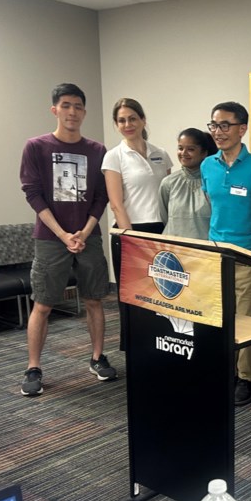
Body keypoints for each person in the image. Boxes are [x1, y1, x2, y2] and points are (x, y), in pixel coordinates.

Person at [19, 82, 116, 396]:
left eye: (77, 106)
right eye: (66, 106)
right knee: (44, 304)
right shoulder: (36, 146)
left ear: (84, 112)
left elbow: (101, 198)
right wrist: (62, 235)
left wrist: (84, 233)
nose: (72, 112)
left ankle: (98, 357)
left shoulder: (97, 150)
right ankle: (34, 367)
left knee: (94, 299)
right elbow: (33, 194)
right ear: (55, 110)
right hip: (50, 238)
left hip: (89, 237)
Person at [200, 101, 251, 405]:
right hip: (216, 253)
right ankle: (223, 368)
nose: (218, 132)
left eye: (225, 125)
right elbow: (213, 205)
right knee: (219, 317)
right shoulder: (207, 165)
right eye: (214, 125)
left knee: (247, 319)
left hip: (250, 254)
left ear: (242, 128)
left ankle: (246, 378)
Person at [102, 98, 174, 351]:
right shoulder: (114, 157)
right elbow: (116, 204)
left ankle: (160, 344)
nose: (127, 124)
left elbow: (169, 195)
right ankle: (134, 347)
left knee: (160, 293)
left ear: (143, 120)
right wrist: (132, 239)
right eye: (121, 120)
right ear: (116, 125)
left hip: (161, 231)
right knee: (132, 296)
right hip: (129, 233)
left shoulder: (161, 154)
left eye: (132, 118)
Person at [160, 128, 217, 239]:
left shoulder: (214, 182)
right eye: (180, 148)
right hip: (174, 250)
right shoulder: (168, 183)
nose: (183, 153)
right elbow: (164, 217)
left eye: (190, 149)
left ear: (204, 153)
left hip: (206, 250)